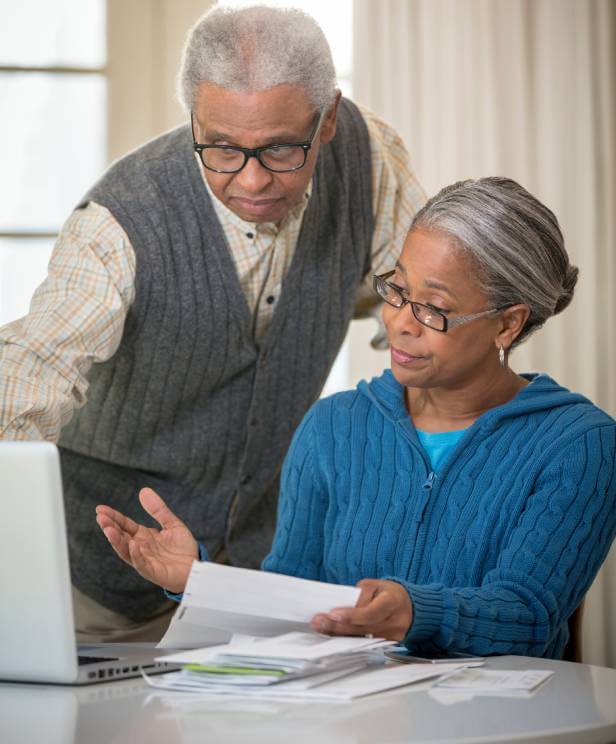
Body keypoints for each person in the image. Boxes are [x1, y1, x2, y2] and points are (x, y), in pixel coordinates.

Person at [0, 6, 425, 642]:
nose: (252, 179)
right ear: (193, 118)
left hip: (252, 577)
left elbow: (423, 310)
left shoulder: (369, 162)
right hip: (95, 588)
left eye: (282, 148)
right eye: (222, 148)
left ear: (328, 117)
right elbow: (32, 370)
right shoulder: (121, 221)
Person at [97, 177, 616, 658]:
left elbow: (528, 616)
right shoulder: (333, 427)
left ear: (508, 324)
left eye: (433, 307)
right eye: (398, 289)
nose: (398, 322)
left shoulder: (579, 445)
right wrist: (198, 579)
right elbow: (293, 597)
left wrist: (415, 613)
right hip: (344, 718)